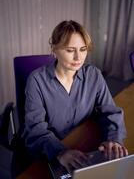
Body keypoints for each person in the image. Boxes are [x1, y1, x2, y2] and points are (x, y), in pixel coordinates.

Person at [23, 20, 128, 173]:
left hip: (86, 144)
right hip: (50, 152)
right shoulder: (36, 80)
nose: (78, 57)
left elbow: (110, 111)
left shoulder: (93, 74)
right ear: (54, 49)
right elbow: (35, 128)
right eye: (70, 50)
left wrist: (113, 139)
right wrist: (60, 152)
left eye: (83, 49)